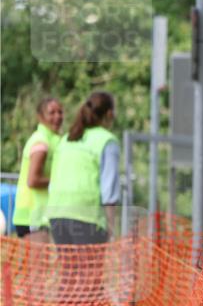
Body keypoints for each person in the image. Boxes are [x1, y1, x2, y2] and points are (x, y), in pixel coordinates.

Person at [46, 92, 121, 244]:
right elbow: (109, 190)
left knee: (69, 268)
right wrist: (111, 229)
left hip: (57, 214)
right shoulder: (107, 141)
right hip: (87, 216)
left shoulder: (67, 138)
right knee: (89, 268)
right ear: (109, 113)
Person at [11, 97, 64, 238]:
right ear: (40, 117)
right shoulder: (41, 142)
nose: (57, 116)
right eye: (51, 113)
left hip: (43, 214)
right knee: (37, 260)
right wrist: (61, 181)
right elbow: (33, 180)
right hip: (31, 215)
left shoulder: (54, 140)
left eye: (60, 112)